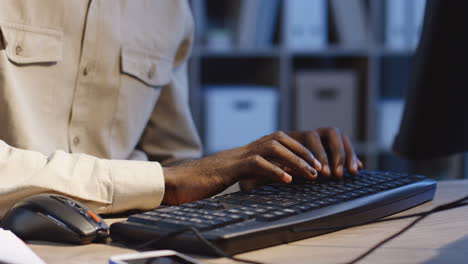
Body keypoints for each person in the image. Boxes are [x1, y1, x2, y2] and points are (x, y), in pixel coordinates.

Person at [0, 0, 362, 217]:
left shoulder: (170, 10)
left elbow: (177, 163)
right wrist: (167, 181)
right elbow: (171, 180)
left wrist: (249, 176)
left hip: (120, 241)